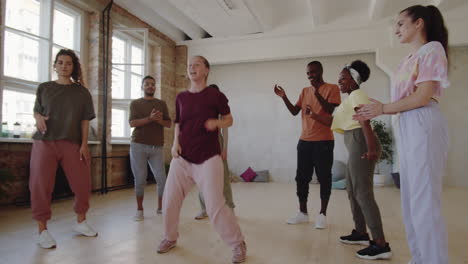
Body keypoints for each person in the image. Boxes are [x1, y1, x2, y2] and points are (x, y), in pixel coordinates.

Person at [353, 5, 450, 264]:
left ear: (418, 23)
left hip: (423, 122)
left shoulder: (432, 49)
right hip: (407, 123)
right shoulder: (409, 58)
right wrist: (378, 107)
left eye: (400, 24)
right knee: (410, 198)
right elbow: (405, 98)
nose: (395, 29)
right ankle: (420, 258)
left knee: (424, 200)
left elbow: (422, 95)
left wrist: (383, 108)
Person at [157, 56, 246, 263]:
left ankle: (237, 244)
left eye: (196, 64)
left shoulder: (215, 95)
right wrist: (174, 143)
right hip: (183, 158)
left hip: (208, 158)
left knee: (215, 205)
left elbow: (229, 119)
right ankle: (170, 237)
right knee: (169, 200)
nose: (191, 67)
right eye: (189, 65)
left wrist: (217, 122)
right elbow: (178, 124)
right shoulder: (181, 98)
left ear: (206, 70)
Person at [30, 49, 97, 249]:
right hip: (44, 142)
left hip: (72, 143)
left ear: (73, 66)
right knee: (40, 185)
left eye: (68, 63)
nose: (64, 66)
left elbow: (85, 120)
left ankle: (81, 222)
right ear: (55, 65)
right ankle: (42, 230)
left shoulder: (82, 92)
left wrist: (84, 145)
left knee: (82, 184)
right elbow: (37, 110)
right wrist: (38, 117)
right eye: (60, 62)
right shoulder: (44, 88)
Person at [330, 60, 392, 260]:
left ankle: (380, 244)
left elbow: (364, 119)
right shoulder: (349, 98)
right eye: (339, 78)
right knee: (352, 188)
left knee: (363, 192)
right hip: (355, 142)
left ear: (354, 79)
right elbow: (334, 118)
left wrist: (372, 148)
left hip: (361, 142)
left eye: (343, 78)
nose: (339, 81)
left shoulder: (357, 94)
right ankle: (361, 232)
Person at [274, 61, 340, 228]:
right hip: (304, 142)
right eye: (308, 73)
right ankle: (302, 212)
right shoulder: (304, 91)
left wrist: (318, 94)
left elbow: (331, 110)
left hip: (324, 141)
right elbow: (295, 111)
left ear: (321, 71)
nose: (310, 75)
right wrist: (284, 97)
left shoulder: (332, 88)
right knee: (301, 178)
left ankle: (322, 214)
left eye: (313, 72)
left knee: (324, 178)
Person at [129, 75, 171, 221]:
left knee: (162, 179)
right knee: (140, 179)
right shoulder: (135, 104)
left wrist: (159, 120)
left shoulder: (161, 103)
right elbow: (132, 123)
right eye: (147, 84)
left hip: (157, 147)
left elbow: (169, 124)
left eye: (153, 84)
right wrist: (150, 119)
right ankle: (139, 210)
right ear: (142, 86)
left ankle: (161, 208)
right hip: (138, 146)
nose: (150, 86)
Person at [195, 84, 235, 220]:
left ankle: (230, 207)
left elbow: (225, 129)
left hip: (217, 142)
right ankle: (204, 208)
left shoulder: (221, 108)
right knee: (201, 178)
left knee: (223, 177)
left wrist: (224, 149)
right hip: (201, 144)